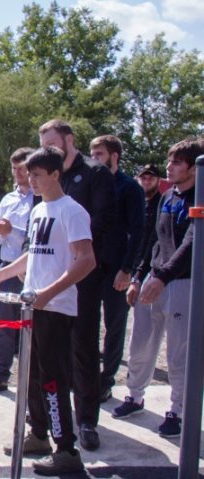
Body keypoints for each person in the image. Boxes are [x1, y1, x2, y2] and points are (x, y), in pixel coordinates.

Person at [0, 146, 95, 475]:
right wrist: (0, 274)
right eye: (28, 175)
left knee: (52, 379)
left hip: (56, 308)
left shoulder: (71, 211)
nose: (31, 181)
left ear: (56, 175)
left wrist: (48, 293)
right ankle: (38, 434)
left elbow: (86, 260)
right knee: (31, 375)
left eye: (37, 175)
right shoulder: (38, 211)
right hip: (32, 305)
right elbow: (33, 254)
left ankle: (66, 450)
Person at [112, 138, 202, 438]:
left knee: (179, 355)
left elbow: (190, 245)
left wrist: (162, 277)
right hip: (155, 279)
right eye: (169, 160)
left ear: (194, 167)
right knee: (140, 346)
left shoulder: (199, 198)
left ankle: (178, 412)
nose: (169, 166)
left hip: (183, 284)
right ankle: (134, 396)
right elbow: (152, 240)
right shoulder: (168, 196)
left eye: (176, 162)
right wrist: (140, 276)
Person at [38, 120, 115, 451]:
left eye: (55, 143)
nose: (51, 150)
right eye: (45, 145)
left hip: (82, 278)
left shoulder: (95, 173)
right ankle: (50, 422)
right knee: (52, 355)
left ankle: (86, 420)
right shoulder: (52, 176)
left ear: (70, 140)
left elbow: (101, 223)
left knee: (83, 350)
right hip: (50, 282)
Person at [89, 135, 145, 403]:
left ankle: (106, 379)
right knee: (86, 323)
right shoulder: (91, 184)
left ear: (114, 156)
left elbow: (138, 233)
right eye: (92, 153)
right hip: (90, 267)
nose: (94, 158)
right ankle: (87, 376)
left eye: (99, 154)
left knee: (114, 326)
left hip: (116, 270)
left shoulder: (129, 188)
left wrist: (127, 270)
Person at [0, 147, 35, 396]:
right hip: (7, 267)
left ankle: (33, 381)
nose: (18, 173)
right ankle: (0, 375)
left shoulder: (40, 198)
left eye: (22, 168)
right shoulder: (8, 199)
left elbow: (38, 239)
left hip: (32, 271)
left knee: (32, 329)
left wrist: (12, 231)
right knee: (5, 326)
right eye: (14, 168)